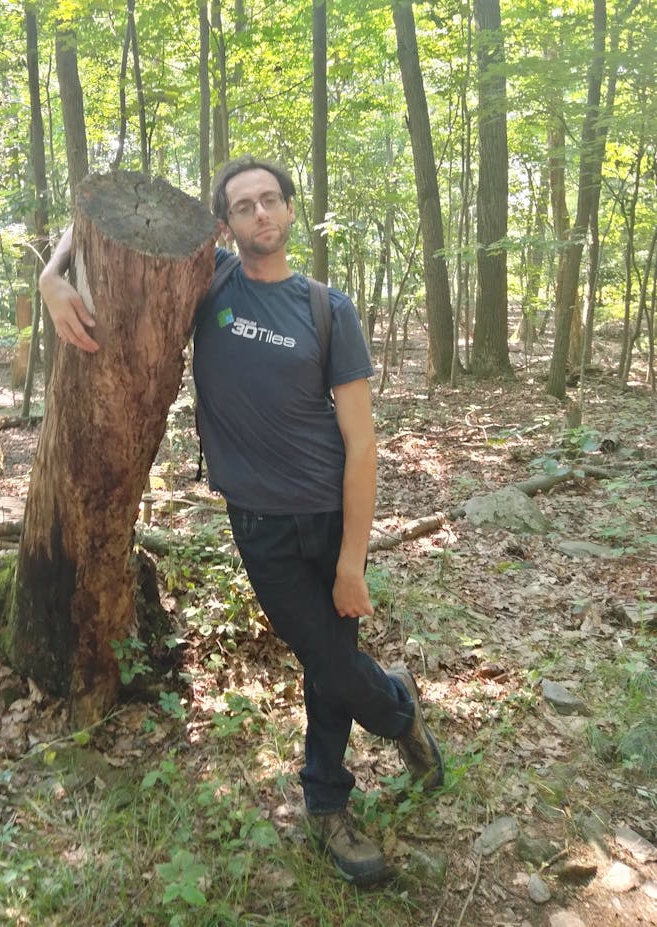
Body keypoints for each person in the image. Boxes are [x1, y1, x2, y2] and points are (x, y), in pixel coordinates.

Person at [40, 155, 443, 886]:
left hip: (328, 514)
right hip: (260, 524)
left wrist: (354, 558)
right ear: (225, 225)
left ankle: (326, 805)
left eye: (271, 201)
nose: (261, 215)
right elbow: (96, 233)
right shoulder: (208, 281)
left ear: (289, 211)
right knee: (325, 657)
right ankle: (399, 709)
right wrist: (50, 275)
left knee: (328, 667)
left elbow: (361, 442)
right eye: (244, 206)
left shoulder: (329, 309)